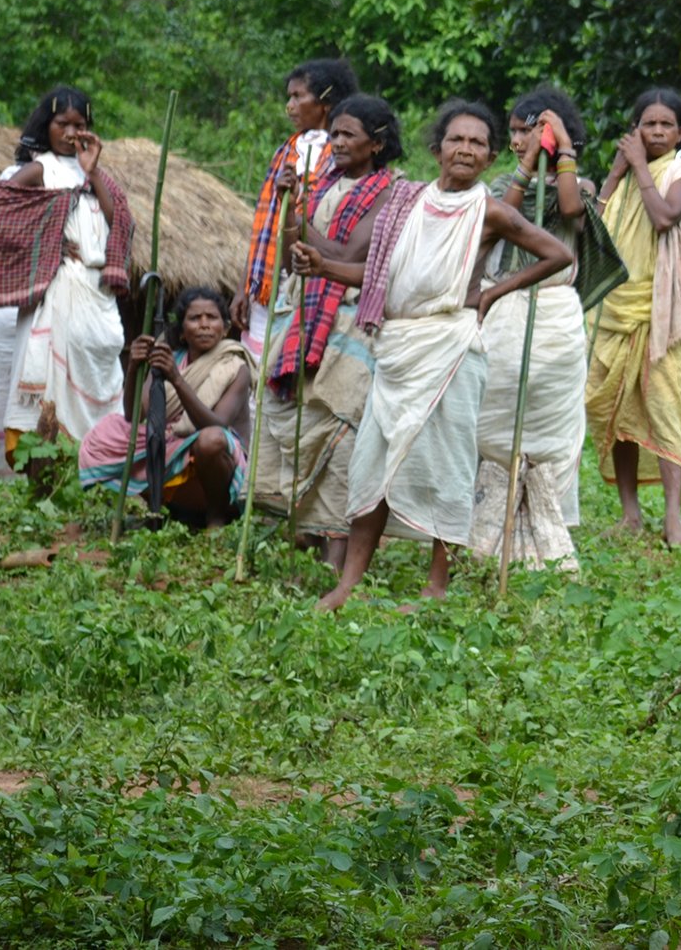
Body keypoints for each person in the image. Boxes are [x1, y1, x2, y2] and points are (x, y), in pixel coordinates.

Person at [304, 101, 574, 612]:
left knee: (447, 467)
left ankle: (436, 587)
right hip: (399, 347)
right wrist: (322, 265)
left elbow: (559, 254)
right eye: (457, 140)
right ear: (438, 150)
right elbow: (378, 273)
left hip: (452, 347)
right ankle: (349, 583)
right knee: (372, 466)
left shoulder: (489, 210)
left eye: (477, 143)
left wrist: (496, 291)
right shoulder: (405, 201)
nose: (466, 149)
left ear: (491, 156)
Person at [254, 93, 402, 568]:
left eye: (347, 135)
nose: (336, 143)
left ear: (376, 144)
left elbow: (348, 255)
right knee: (291, 415)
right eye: (334, 133)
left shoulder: (389, 193)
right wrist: (293, 207)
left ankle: (338, 554)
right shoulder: (326, 186)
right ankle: (304, 538)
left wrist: (305, 236)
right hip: (305, 315)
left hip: (351, 324)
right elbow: (295, 243)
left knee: (342, 430)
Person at [469, 87, 595, 568]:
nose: (520, 139)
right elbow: (509, 217)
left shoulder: (580, 185)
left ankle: (546, 529)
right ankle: (488, 529)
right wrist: (526, 166)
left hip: (556, 314)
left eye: (530, 130)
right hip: (507, 309)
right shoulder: (503, 184)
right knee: (495, 419)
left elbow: (568, 211)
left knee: (552, 428)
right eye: (516, 130)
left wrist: (561, 151)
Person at [0, 86, 136, 469]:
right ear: (45, 126)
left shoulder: (99, 176)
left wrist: (92, 170)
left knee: (101, 371)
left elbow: (121, 223)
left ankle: (94, 465)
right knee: (49, 389)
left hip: (95, 291)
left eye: (78, 125)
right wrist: (46, 241)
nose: (69, 132)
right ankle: (43, 477)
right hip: (56, 288)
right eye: (61, 124)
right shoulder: (40, 168)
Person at [585, 87, 681, 547]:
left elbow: (663, 217)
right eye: (648, 123)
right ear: (635, 129)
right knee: (614, 407)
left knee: (663, 405)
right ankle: (630, 514)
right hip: (615, 304)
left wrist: (637, 167)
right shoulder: (624, 173)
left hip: (658, 310)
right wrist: (615, 174)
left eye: (665, 124)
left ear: (680, 132)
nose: (656, 131)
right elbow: (594, 229)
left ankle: (673, 517)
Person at [78, 287, 252, 526]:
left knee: (210, 440)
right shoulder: (171, 358)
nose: (204, 324)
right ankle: (164, 508)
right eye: (194, 318)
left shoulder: (236, 366)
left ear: (224, 328)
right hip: (173, 444)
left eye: (212, 318)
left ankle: (217, 515)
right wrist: (134, 367)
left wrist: (177, 379)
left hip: (218, 459)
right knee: (109, 431)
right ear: (182, 332)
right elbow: (135, 415)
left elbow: (217, 424)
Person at [233, 59, 358, 360]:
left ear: (325, 102)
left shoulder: (339, 155)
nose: (290, 106)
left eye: (297, 96)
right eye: (288, 97)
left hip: (309, 281)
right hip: (267, 283)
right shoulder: (285, 152)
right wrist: (245, 286)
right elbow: (263, 226)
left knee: (291, 363)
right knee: (257, 368)